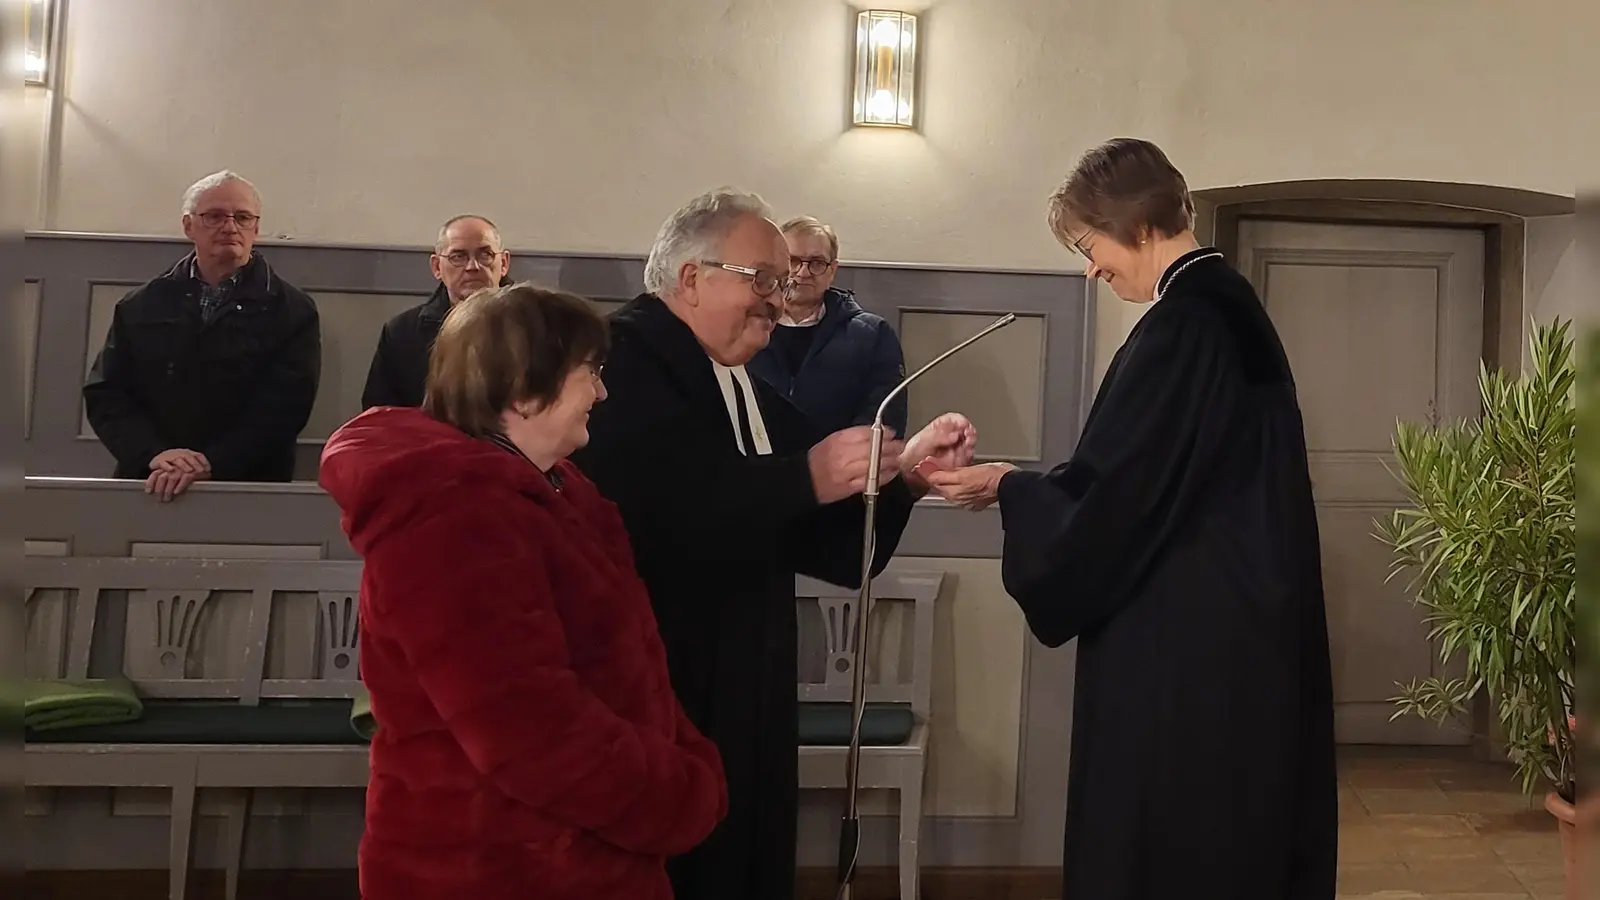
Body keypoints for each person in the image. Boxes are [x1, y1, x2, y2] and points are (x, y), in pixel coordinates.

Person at [924, 138, 1338, 900]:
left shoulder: (1184, 325)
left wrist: (1012, 489)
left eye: (1091, 245)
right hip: (1238, 636)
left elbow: (1114, 503)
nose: (1091, 267)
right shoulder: (1227, 307)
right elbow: (1141, 481)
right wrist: (1022, 486)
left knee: (1174, 849)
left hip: (1188, 654)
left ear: (1138, 227)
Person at [568, 186, 975, 900]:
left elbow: (826, 542)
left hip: (745, 674)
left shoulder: (737, 381)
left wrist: (903, 476)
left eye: (784, 281)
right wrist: (803, 478)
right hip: (664, 676)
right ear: (692, 278)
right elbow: (651, 516)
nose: (779, 298)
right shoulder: (623, 361)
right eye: (762, 279)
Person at [319, 284, 728, 900]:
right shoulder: (456, 512)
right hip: (496, 863)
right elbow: (528, 729)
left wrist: (684, 759)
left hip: (575, 848)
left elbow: (624, 667)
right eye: (589, 373)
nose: (602, 391)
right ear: (524, 387)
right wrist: (674, 796)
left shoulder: (552, 491)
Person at [82, 170, 321, 500]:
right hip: (151, 481)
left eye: (242, 217)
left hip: (248, 486)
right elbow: (107, 394)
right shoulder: (142, 304)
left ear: (256, 227)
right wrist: (154, 455)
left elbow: (286, 406)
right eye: (214, 216)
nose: (230, 226)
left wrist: (213, 462)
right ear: (188, 226)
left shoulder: (292, 309)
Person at [746, 215, 909, 435]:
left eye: (817, 263)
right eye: (793, 261)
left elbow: (884, 415)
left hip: (843, 464)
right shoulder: (745, 326)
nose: (803, 273)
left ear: (832, 270)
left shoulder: (873, 335)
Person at [360, 214, 513, 408]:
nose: (473, 267)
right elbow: (380, 416)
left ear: (504, 263)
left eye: (485, 255)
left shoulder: (539, 325)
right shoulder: (403, 332)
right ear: (436, 267)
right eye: (458, 256)